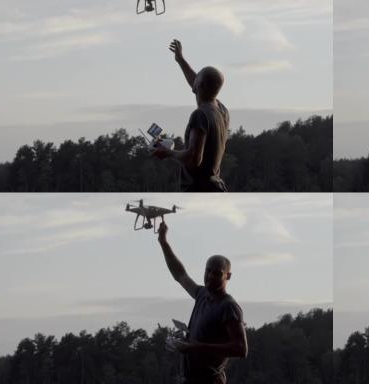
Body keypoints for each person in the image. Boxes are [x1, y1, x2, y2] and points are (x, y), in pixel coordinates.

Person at [157, 221, 248, 384]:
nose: (211, 276)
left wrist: (196, 347)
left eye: (217, 273)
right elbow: (180, 275)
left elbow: (241, 349)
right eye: (208, 271)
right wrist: (163, 242)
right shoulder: (201, 294)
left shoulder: (229, 307)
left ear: (228, 276)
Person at [153, 39, 230, 192]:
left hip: (198, 191)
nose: (193, 80)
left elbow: (194, 160)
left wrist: (167, 152)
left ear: (199, 85)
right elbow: (203, 83)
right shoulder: (222, 111)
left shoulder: (200, 115)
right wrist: (180, 60)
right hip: (216, 187)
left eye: (197, 78)